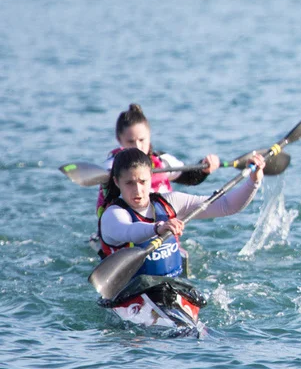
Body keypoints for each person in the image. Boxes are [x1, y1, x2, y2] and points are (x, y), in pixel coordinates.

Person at [96, 148, 264, 310]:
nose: (137, 190)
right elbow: (129, 231)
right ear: (117, 182)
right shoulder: (112, 215)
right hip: (130, 297)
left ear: (151, 177)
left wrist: (253, 181)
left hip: (173, 289)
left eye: (142, 181)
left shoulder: (170, 202)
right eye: (129, 183)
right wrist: (158, 228)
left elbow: (227, 205)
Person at [96, 104, 220, 217]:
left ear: (149, 135)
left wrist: (204, 168)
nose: (137, 146)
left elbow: (189, 177)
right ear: (119, 139)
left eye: (141, 140)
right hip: (124, 224)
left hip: (162, 224)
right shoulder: (112, 165)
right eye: (130, 141)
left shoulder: (162, 161)